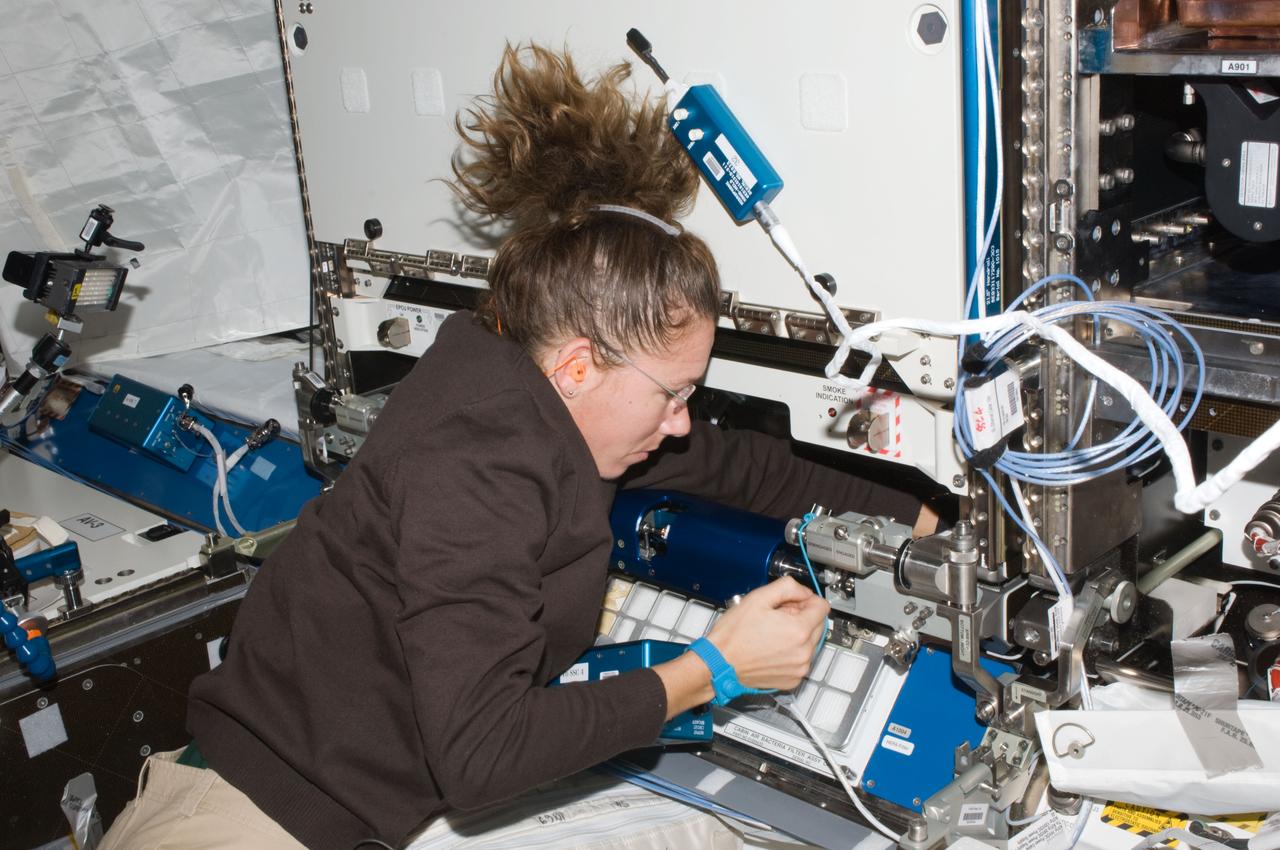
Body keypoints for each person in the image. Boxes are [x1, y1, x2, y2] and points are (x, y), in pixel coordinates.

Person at [100, 44, 924, 850]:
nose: (681, 419)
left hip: (335, 808)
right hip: (249, 820)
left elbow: (738, 465)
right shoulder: (476, 467)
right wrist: (716, 666)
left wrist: (920, 522)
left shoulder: (525, 387)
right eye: (673, 393)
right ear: (577, 365)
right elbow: (483, 755)